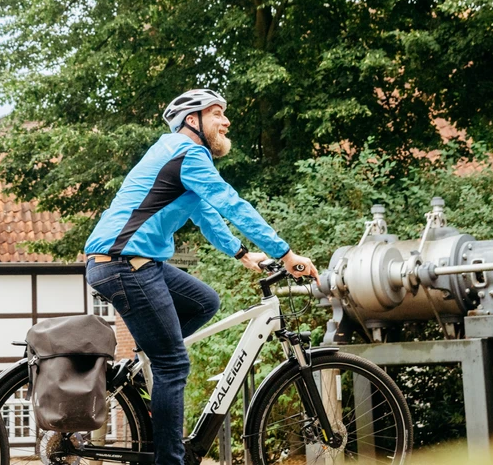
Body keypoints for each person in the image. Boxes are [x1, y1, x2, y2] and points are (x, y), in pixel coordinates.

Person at [83, 88, 318, 465]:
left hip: (135, 263)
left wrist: (241, 254)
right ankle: (170, 460)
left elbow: (206, 212)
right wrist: (285, 254)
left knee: (204, 302)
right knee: (174, 364)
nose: (226, 121)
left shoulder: (180, 156)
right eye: (216, 114)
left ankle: (147, 361)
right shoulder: (187, 152)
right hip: (124, 264)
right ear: (192, 121)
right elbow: (230, 203)